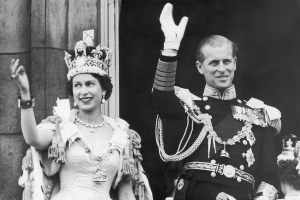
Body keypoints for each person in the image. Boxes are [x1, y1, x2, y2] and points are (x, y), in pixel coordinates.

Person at [152, 3, 282, 200]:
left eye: (227, 61)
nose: (222, 69)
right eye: (214, 63)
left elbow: (270, 178)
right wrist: (170, 47)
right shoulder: (191, 108)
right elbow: (161, 97)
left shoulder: (258, 115)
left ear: (235, 63)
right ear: (199, 67)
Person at [12, 33, 152, 200]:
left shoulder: (121, 132)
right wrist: (25, 95)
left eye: (90, 84)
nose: (83, 91)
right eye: (77, 85)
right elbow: (32, 138)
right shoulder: (62, 126)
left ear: (104, 90)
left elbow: (126, 193)